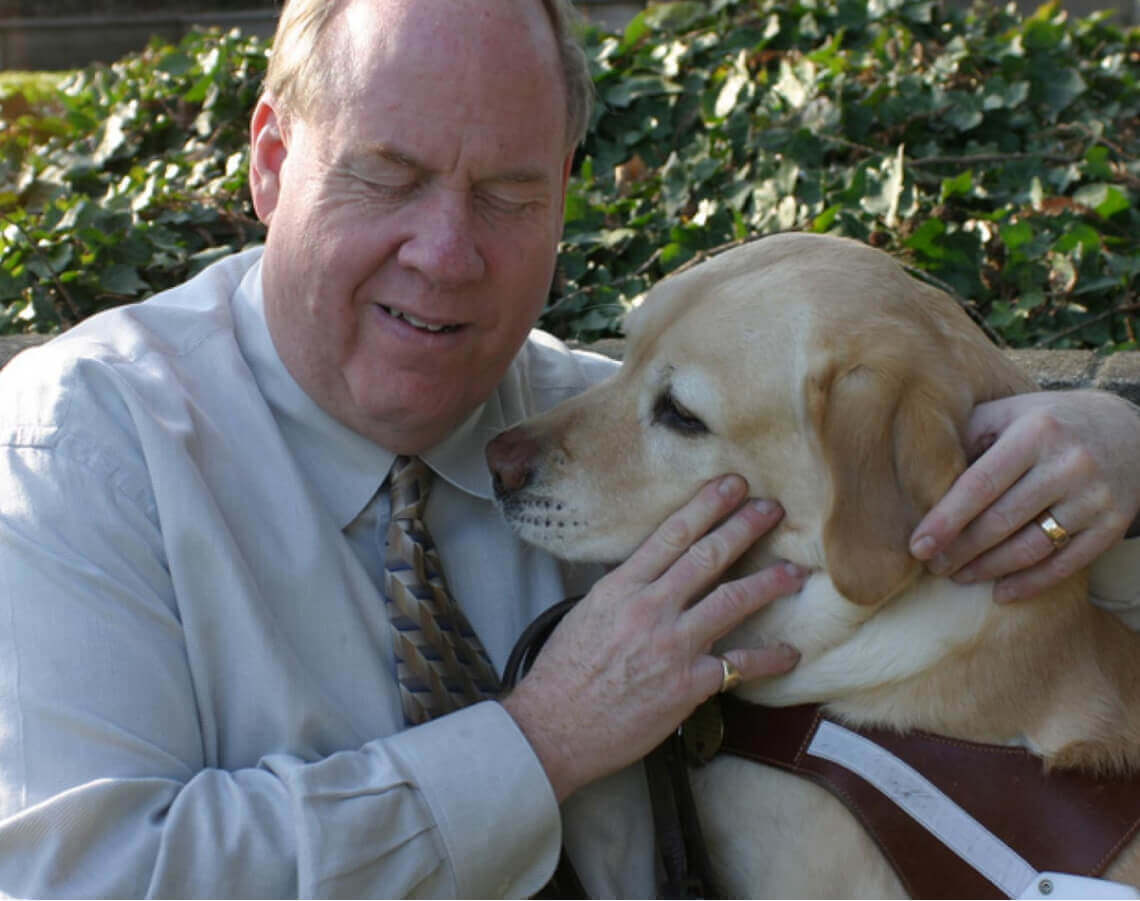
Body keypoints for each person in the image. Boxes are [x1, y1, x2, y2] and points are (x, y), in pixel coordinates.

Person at [0, 0, 1136, 898]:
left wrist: (1113, 442)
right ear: (269, 161)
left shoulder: (593, 425)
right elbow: (87, 881)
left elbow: (908, 487)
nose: (444, 254)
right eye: (385, 176)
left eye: (506, 194)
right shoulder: (83, 447)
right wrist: (537, 745)